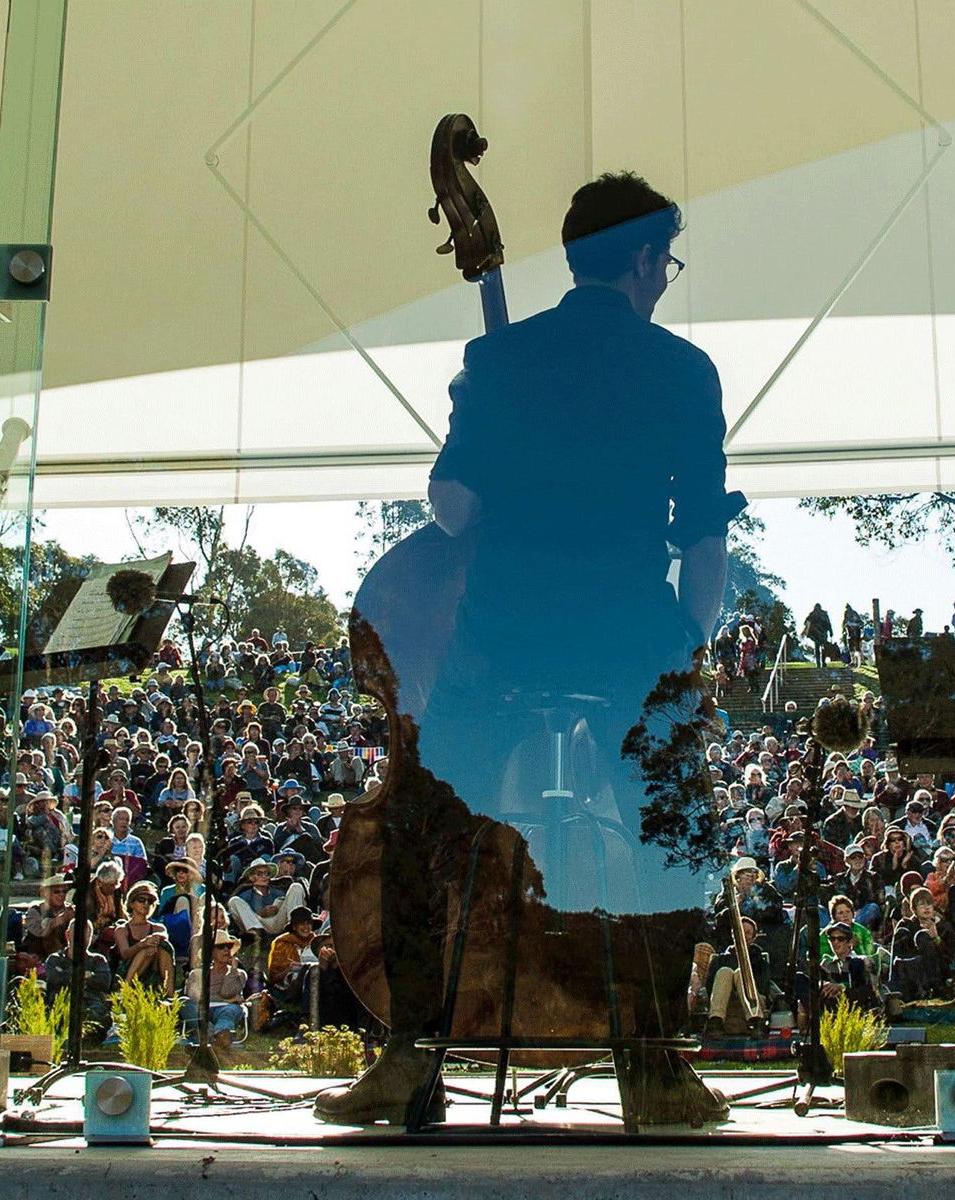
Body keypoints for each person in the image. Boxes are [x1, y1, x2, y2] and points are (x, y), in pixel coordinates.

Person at [324, 172, 743, 1127]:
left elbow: (455, 505)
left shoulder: (499, 360)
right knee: (672, 826)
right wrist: (690, 648)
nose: (666, 279)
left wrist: (493, 436)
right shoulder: (686, 372)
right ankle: (653, 1064)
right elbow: (705, 540)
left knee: (422, 822)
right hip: (627, 642)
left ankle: (408, 1056)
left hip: (503, 642)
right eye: (665, 261)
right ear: (641, 260)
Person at [182, 930, 249, 1050]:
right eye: (220, 947)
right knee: (184, 1003)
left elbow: (226, 991)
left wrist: (232, 970)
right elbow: (195, 997)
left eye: (228, 946)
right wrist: (227, 1000)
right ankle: (215, 1037)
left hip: (225, 1008)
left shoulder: (239, 974)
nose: (226, 950)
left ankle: (218, 1035)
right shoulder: (197, 974)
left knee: (229, 1011)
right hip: (201, 1010)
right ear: (211, 952)